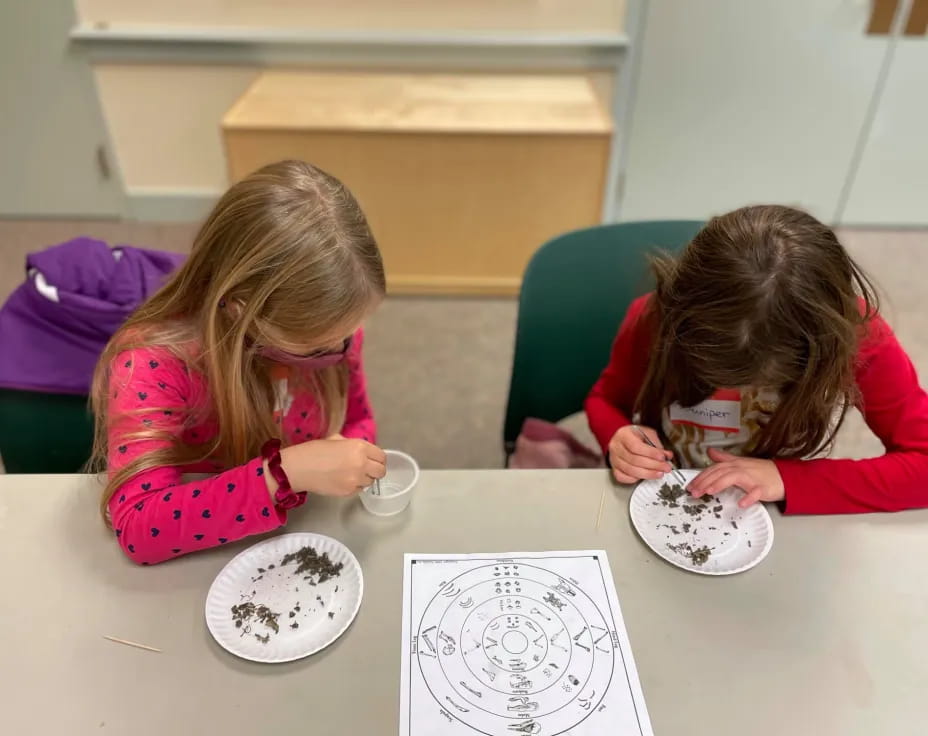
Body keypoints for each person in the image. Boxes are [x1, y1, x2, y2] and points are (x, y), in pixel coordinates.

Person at [90, 160, 387, 564]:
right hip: (206, 561)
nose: (342, 348)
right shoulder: (151, 364)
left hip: (298, 534)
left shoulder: (338, 335)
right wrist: (283, 474)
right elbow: (139, 527)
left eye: (348, 334)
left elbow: (357, 421)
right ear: (241, 308)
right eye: (315, 345)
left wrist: (351, 451)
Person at [585, 205, 928, 514]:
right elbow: (605, 399)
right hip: (665, 488)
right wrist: (618, 435)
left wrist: (788, 479)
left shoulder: (861, 340)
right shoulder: (657, 317)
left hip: (766, 506)